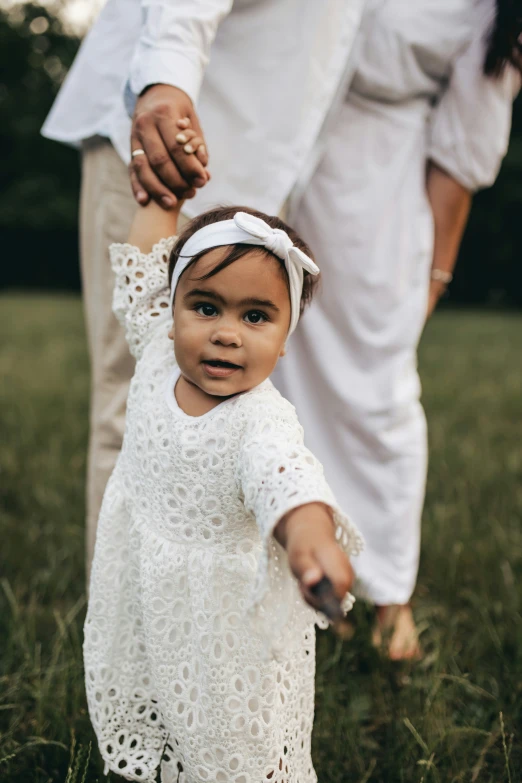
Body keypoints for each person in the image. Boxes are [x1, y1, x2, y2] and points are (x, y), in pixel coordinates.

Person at [43, 0, 522, 657]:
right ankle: (133, 647)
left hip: (255, 167)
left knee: (227, 413)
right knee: (140, 399)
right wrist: (167, 79)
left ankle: (202, 632)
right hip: (161, 123)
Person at [84, 197, 363, 782]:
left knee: (235, 736)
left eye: (256, 317)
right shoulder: (159, 351)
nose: (227, 335)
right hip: (149, 591)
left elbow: (286, 478)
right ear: (175, 309)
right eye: (206, 307)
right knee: (154, 694)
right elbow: (142, 267)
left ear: (286, 338)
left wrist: (310, 536)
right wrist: (158, 200)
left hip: (226, 625)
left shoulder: (261, 421)